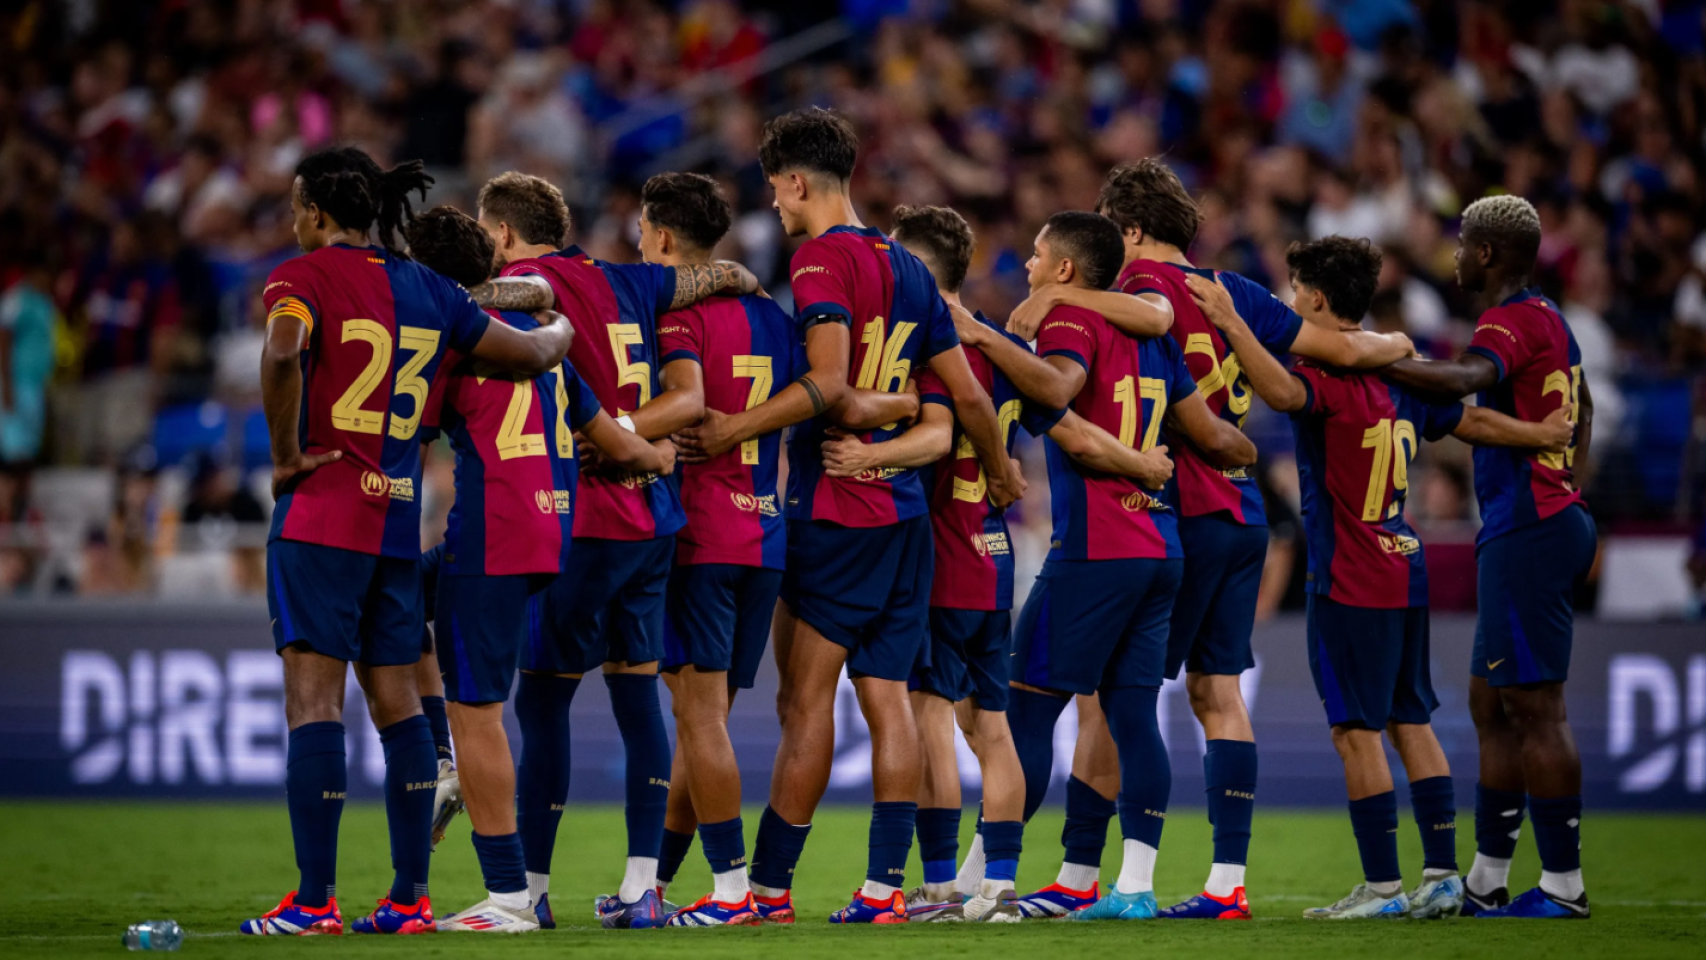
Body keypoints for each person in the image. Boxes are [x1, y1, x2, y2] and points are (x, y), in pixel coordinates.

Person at [1006, 159, 1413, 919]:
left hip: (1171, 509)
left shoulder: (1130, 289)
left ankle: (1081, 874)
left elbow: (1149, 324)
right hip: (1243, 513)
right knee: (1217, 694)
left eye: (1112, 231)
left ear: (1130, 230)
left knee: (1109, 697)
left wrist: (1058, 292)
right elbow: (1342, 350)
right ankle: (1227, 882)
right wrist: (1394, 343)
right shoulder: (1237, 292)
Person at [675, 107, 1021, 925]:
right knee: (888, 698)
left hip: (837, 510)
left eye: (775, 188)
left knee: (805, 703)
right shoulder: (906, 266)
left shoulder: (821, 259)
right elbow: (969, 398)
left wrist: (732, 428)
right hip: (906, 518)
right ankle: (881, 890)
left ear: (798, 181)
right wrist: (1002, 471)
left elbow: (829, 385)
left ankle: (767, 891)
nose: (774, 203)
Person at [1189, 235, 1573, 919]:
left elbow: (1279, 390)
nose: (1289, 301)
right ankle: (1443, 875)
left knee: (1356, 731)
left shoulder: (1326, 374)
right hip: (1403, 562)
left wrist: (1229, 321)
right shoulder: (1403, 373)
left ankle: (1384, 887)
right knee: (1410, 721)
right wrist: (1540, 436)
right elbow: (1472, 421)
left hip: (1348, 574)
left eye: (1295, 290)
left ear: (1316, 299)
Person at [243, 147, 571, 937]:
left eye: (297, 206)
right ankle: (409, 899)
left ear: (317, 212)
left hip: (322, 519)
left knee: (314, 703)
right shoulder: (429, 289)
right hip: (394, 524)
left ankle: (314, 903)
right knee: (400, 711)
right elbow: (532, 354)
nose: (295, 220)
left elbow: (283, 352)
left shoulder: (301, 277)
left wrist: (285, 456)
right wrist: (562, 321)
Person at [842, 205, 1175, 923]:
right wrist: (1143, 464)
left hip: (949, 558)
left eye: (1038, 254)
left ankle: (939, 885)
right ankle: (1000, 883)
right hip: (1000, 558)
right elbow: (1073, 425)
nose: (1027, 263)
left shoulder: (936, 345)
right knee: (1000, 725)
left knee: (936, 719)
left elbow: (959, 427)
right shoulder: (1008, 351)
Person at [474, 171, 761, 930]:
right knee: (638, 698)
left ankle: (530, 891)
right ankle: (642, 888)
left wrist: (455, 292)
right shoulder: (631, 279)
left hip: (585, 519)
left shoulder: (531, 284)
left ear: (503, 234)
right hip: (654, 519)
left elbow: (513, 298)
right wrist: (742, 275)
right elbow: (723, 273)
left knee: (543, 700)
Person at [965, 211, 1254, 922]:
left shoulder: (1069, 323)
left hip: (1096, 549)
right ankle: (1134, 886)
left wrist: (987, 338)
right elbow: (1213, 435)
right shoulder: (1155, 339)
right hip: (1161, 547)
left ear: (1065, 268)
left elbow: (1058, 393)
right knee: (1133, 714)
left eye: (1037, 256)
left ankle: (986, 879)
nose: (1028, 266)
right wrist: (1245, 454)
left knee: (1026, 710)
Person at [402, 205, 674, 933]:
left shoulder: (447, 342)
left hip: (490, 536)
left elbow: (408, 432)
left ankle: (509, 894)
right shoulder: (545, 338)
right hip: (556, 533)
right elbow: (615, 440)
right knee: (402, 595)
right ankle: (446, 764)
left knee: (480, 711)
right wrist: (659, 458)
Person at [1380, 195, 1598, 920]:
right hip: (1541, 519)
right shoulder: (1550, 318)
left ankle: (1563, 886)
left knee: (1536, 708)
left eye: (1462, 243)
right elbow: (1584, 408)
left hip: (1530, 526)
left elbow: (1464, 380)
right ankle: (1487, 878)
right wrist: (1568, 480)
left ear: (1486, 253)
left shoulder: (1505, 321)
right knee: (1491, 703)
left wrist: (1387, 362)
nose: (1453, 255)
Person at [600, 172, 792, 927]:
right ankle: (652, 886)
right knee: (700, 721)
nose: (639, 243)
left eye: (643, 231)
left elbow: (687, 402)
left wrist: (606, 433)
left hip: (704, 534)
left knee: (700, 720)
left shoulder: (678, 316)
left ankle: (733, 892)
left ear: (663, 237)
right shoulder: (774, 315)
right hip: (762, 536)